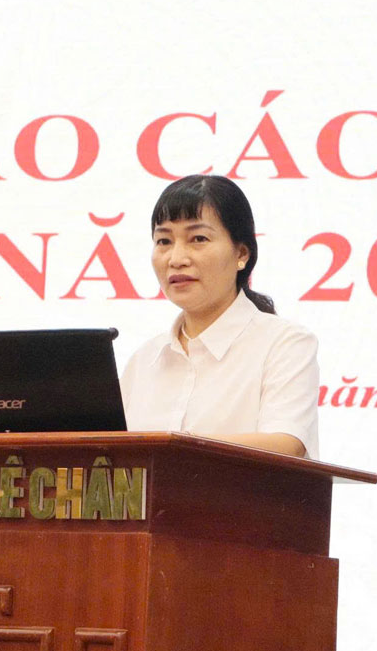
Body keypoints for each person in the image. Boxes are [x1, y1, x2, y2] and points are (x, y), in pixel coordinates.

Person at [119, 175, 320, 459]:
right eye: (164, 241)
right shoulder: (144, 360)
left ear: (242, 253)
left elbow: (286, 445)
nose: (176, 258)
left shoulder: (285, 344)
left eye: (198, 239)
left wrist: (172, 448)